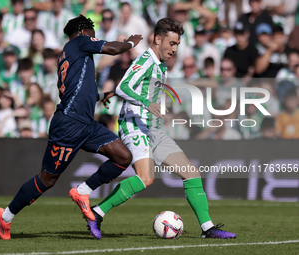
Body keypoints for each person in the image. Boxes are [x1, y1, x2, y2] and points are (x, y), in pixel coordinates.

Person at [84, 17, 236, 240]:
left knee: (191, 173)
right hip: (134, 125)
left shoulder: (160, 65)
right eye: (172, 43)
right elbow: (123, 86)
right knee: (146, 178)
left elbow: (133, 89)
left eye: (177, 45)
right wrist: (145, 103)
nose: (174, 49)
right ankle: (97, 213)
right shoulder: (146, 59)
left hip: (153, 128)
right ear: (157, 39)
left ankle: (207, 228)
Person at [0, 14, 143, 240]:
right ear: (84, 30)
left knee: (123, 157)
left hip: (86, 124)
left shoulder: (72, 53)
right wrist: (130, 42)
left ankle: (82, 191)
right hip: (69, 124)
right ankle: (5, 217)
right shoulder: (80, 43)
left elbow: (76, 90)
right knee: (47, 179)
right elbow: (114, 49)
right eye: (93, 31)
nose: (95, 36)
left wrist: (101, 95)